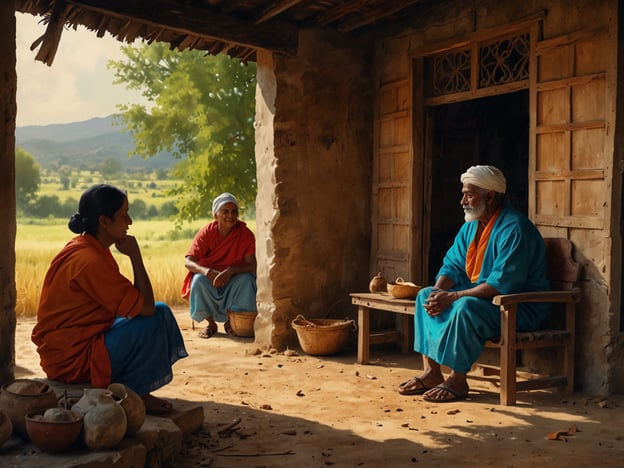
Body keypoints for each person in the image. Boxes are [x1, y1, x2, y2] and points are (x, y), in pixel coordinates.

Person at [398, 165, 550, 402]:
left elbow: (501, 284)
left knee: (464, 306)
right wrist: (438, 292)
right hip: (485, 302)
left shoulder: (515, 229)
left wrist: (453, 297)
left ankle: (458, 381)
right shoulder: (471, 226)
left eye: (469, 194)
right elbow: (453, 266)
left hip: (518, 307)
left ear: (490, 196)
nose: (462, 201)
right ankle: (432, 373)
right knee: (424, 295)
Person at [32, 184, 188, 415]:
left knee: (161, 312)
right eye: (124, 214)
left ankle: (137, 391)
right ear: (104, 221)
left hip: (77, 343)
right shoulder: (90, 261)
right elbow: (144, 307)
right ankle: (134, 394)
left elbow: (129, 303)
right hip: (72, 359)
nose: (129, 221)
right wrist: (136, 257)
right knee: (154, 318)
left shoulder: (87, 248)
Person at [182, 192, 257, 339]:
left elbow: (252, 265)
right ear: (216, 216)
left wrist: (232, 271)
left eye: (234, 211)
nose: (230, 215)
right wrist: (207, 272)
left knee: (247, 280)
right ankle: (211, 324)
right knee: (198, 280)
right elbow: (189, 261)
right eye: (225, 212)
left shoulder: (245, 234)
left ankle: (231, 322)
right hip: (210, 280)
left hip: (233, 280)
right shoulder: (206, 233)